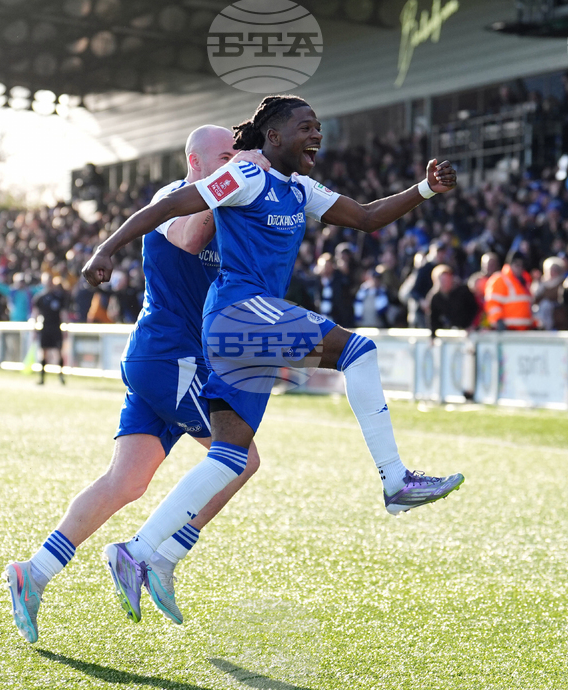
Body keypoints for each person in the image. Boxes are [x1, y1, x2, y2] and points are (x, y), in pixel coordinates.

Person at [82, 94, 464, 623]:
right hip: (240, 313)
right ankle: (396, 480)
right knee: (359, 351)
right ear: (275, 136)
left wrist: (425, 189)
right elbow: (171, 206)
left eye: (319, 127)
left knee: (232, 458)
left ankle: (143, 552)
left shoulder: (300, 189)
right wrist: (105, 248)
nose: (316, 135)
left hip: (245, 326)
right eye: (305, 126)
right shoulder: (243, 176)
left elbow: (368, 218)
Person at [4, 126, 268, 642]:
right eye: (225, 156)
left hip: (169, 360)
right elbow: (190, 238)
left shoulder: (223, 204)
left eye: (238, 156)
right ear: (195, 161)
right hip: (171, 358)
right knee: (242, 458)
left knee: (125, 482)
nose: (235, 163)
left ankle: (31, 574)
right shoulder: (171, 198)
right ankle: (160, 556)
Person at [31, 273, 70, 385]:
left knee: (59, 352)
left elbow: (63, 314)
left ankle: (61, 377)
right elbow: (35, 314)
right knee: (43, 353)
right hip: (45, 328)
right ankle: (42, 378)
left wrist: (65, 328)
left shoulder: (59, 297)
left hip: (56, 328)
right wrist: (34, 329)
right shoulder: (39, 298)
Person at [484, 251, 536, 330]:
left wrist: (535, 323)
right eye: (517, 265)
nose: (520, 268)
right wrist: (498, 320)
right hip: (508, 329)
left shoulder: (525, 281)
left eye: (522, 265)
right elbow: (492, 303)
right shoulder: (500, 279)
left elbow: (528, 305)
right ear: (510, 264)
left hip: (525, 329)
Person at [424, 264, 479, 334]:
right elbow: (433, 318)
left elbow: (475, 309)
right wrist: (433, 335)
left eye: (447, 280)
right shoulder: (435, 297)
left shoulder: (463, 291)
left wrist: (472, 325)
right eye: (442, 281)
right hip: (451, 330)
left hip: (469, 330)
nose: (445, 283)